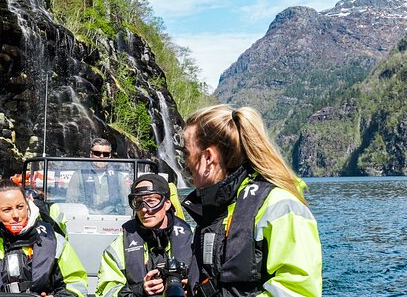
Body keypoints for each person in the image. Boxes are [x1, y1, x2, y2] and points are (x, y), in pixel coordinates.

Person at [182, 105, 322, 297]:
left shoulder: (280, 205)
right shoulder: (215, 209)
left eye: (186, 154)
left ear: (208, 158)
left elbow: (298, 291)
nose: (185, 163)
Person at [0, 179, 88, 297]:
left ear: (27, 205)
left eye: (20, 207)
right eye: (7, 210)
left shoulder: (55, 242)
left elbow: (76, 283)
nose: (16, 215)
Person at [95, 174, 193, 297]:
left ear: (167, 203)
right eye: (139, 203)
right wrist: (139, 290)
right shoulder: (118, 247)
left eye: (151, 201)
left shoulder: (192, 240)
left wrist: (191, 290)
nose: (144, 209)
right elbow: (106, 291)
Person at [65, 138, 129, 212]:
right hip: (86, 220)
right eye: (97, 153)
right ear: (91, 154)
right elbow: (70, 204)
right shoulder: (78, 175)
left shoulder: (119, 177)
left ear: (109, 156)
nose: (101, 157)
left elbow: (127, 206)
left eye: (105, 154)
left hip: (112, 219)